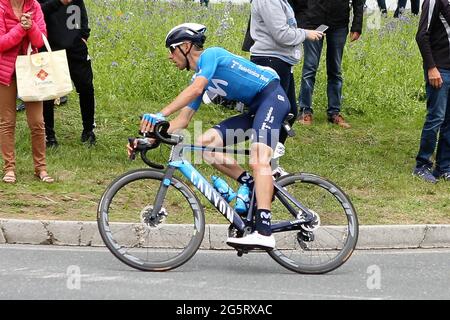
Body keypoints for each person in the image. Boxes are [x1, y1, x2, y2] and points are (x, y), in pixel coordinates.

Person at [133, 23, 292, 249]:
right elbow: (182, 120)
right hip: (255, 110)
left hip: (272, 99)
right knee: (202, 145)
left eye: (171, 49)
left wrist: (159, 114)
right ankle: (250, 184)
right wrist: (150, 139)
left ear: (186, 46)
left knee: (258, 158)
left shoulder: (211, 55)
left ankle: (264, 231)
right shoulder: (199, 79)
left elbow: (196, 91)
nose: (170, 57)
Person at [249, 0, 323, 170]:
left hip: (282, 61)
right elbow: (281, 34)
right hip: (271, 60)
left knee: (289, 112)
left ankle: (270, 160)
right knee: (276, 114)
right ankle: (266, 162)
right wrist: (305, 34)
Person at [0, 0, 54, 184]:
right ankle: (9, 169)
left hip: (32, 72)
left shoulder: (35, 6)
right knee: (7, 122)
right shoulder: (1, 6)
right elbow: (1, 43)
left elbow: (40, 40)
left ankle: (41, 168)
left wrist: (30, 26)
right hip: (6, 72)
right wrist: (20, 29)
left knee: (37, 122)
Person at [297, 0, 364, 128]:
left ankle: (334, 112)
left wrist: (357, 25)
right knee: (310, 68)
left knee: (335, 70)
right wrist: (299, 19)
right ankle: (305, 111)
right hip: (312, 20)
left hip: (338, 22)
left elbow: (358, 1)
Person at [38, 0, 96, 147]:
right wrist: (59, 2)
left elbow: (81, 12)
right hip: (49, 48)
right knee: (48, 92)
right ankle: (49, 136)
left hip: (76, 48)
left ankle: (88, 131)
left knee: (86, 87)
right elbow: (37, 12)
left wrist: (84, 36)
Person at [413, 0, 450, 183]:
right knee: (436, 117)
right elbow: (422, 35)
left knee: (449, 121)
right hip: (439, 69)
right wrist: (431, 67)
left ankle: (444, 167)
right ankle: (422, 165)